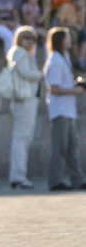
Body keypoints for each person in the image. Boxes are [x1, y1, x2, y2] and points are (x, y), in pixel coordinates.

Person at [42, 26, 86, 191]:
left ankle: (78, 179)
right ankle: (55, 181)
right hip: (60, 110)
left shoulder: (64, 57)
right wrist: (76, 91)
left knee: (73, 147)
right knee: (59, 148)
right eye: (67, 37)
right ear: (60, 40)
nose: (70, 40)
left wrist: (76, 84)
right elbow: (53, 88)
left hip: (68, 110)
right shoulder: (55, 61)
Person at [5, 26, 42, 190]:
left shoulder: (22, 53)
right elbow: (26, 73)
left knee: (24, 138)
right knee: (22, 138)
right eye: (26, 38)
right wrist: (41, 74)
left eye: (33, 39)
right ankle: (18, 177)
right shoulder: (19, 52)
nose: (30, 42)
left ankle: (19, 176)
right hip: (24, 100)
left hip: (27, 100)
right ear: (19, 39)